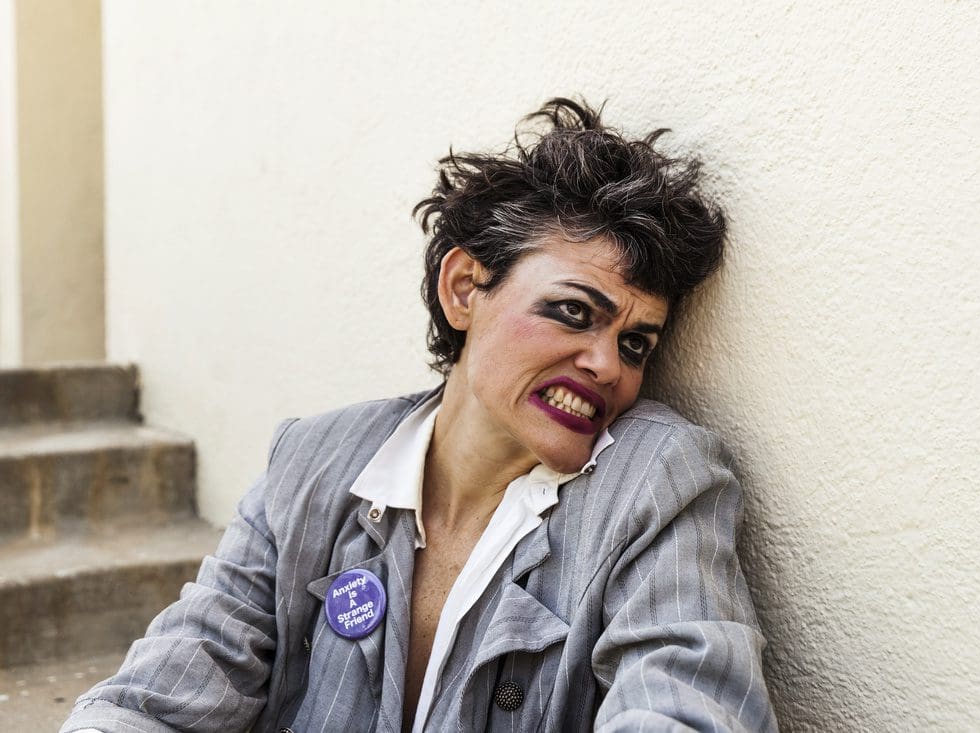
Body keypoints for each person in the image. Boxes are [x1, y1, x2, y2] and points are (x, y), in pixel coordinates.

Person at [62, 98, 777, 732]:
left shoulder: (654, 481)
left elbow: (686, 701)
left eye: (635, 343)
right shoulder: (313, 461)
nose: (609, 365)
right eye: (572, 311)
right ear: (464, 289)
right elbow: (162, 690)